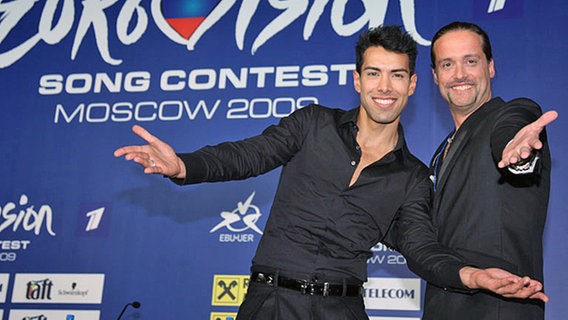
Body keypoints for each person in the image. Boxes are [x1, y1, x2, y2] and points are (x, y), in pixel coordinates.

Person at [114, 25, 546, 319]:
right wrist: (184, 165)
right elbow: (247, 155)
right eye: (374, 73)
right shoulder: (311, 124)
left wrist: (469, 274)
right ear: (356, 80)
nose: (384, 87)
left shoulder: (413, 176)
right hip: (269, 304)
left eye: (397, 76)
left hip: (343, 310)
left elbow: (421, 249)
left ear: (413, 85)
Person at [418, 21, 558, 320]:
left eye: (471, 61)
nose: (459, 74)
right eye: (447, 64)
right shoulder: (439, 154)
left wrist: (516, 153)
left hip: (498, 308)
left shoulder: (510, 116)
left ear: (490, 67)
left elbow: (513, 127)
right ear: (435, 76)